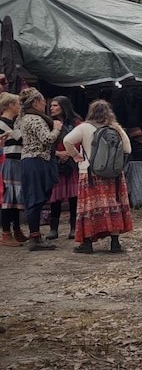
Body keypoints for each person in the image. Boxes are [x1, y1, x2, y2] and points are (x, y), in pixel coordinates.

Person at [63, 99, 133, 254]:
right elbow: (128, 149)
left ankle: (87, 243)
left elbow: (67, 140)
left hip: (90, 173)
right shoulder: (115, 128)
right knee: (113, 207)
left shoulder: (84, 127)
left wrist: (75, 156)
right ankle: (115, 243)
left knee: (89, 208)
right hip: (113, 175)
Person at [17, 88, 63, 251]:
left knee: (35, 197)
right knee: (35, 198)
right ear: (36, 102)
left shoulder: (24, 118)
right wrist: (57, 127)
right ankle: (35, 238)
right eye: (43, 100)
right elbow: (47, 139)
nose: (46, 103)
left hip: (31, 161)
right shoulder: (35, 119)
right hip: (36, 161)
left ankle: (35, 235)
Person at [46, 96, 82, 240]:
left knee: (74, 197)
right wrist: (58, 153)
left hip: (72, 162)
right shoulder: (48, 123)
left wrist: (70, 153)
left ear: (63, 106)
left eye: (55, 105)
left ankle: (74, 227)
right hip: (55, 161)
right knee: (56, 197)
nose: (52, 108)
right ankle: (53, 228)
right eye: (51, 106)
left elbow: (81, 138)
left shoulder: (76, 122)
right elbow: (44, 142)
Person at [0, 92, 27, 245]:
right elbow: (22, 139)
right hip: (8, 163)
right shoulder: (2, 124)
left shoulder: (13, 123)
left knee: (16, 198)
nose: (19, 107)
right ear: (10, 105)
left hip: (17, 162)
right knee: (9, 198)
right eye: (17, 104)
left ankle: (16, 229)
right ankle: (6, 232)